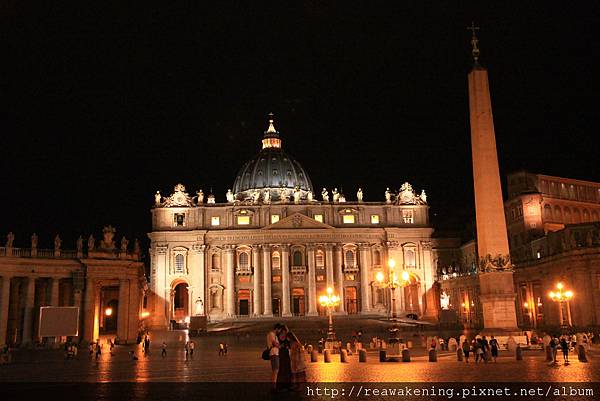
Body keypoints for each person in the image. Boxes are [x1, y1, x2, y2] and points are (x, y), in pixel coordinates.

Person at [276, 325, 292, 391]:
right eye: (283, 331)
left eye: (285, 331)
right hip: (281, 353)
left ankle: (287, 384)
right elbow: (278, 345)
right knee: (281, 368)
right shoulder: (277, 337)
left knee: (287, 368)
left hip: (286, 353)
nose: (284, 333)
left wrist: (288, 343)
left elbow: (289, 345)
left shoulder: (287, 337)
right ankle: (280, 385)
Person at [267, 324, 281, 391]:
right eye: (279, 330)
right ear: (277, 329)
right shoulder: (271, 334)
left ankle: (273, 385)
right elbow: (275, 343)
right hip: (274, 353)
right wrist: (280, 346)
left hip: (275, 353)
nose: (279, 331)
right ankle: (273, 387)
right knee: (275, 370)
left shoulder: (274, 335)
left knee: (275, 371)